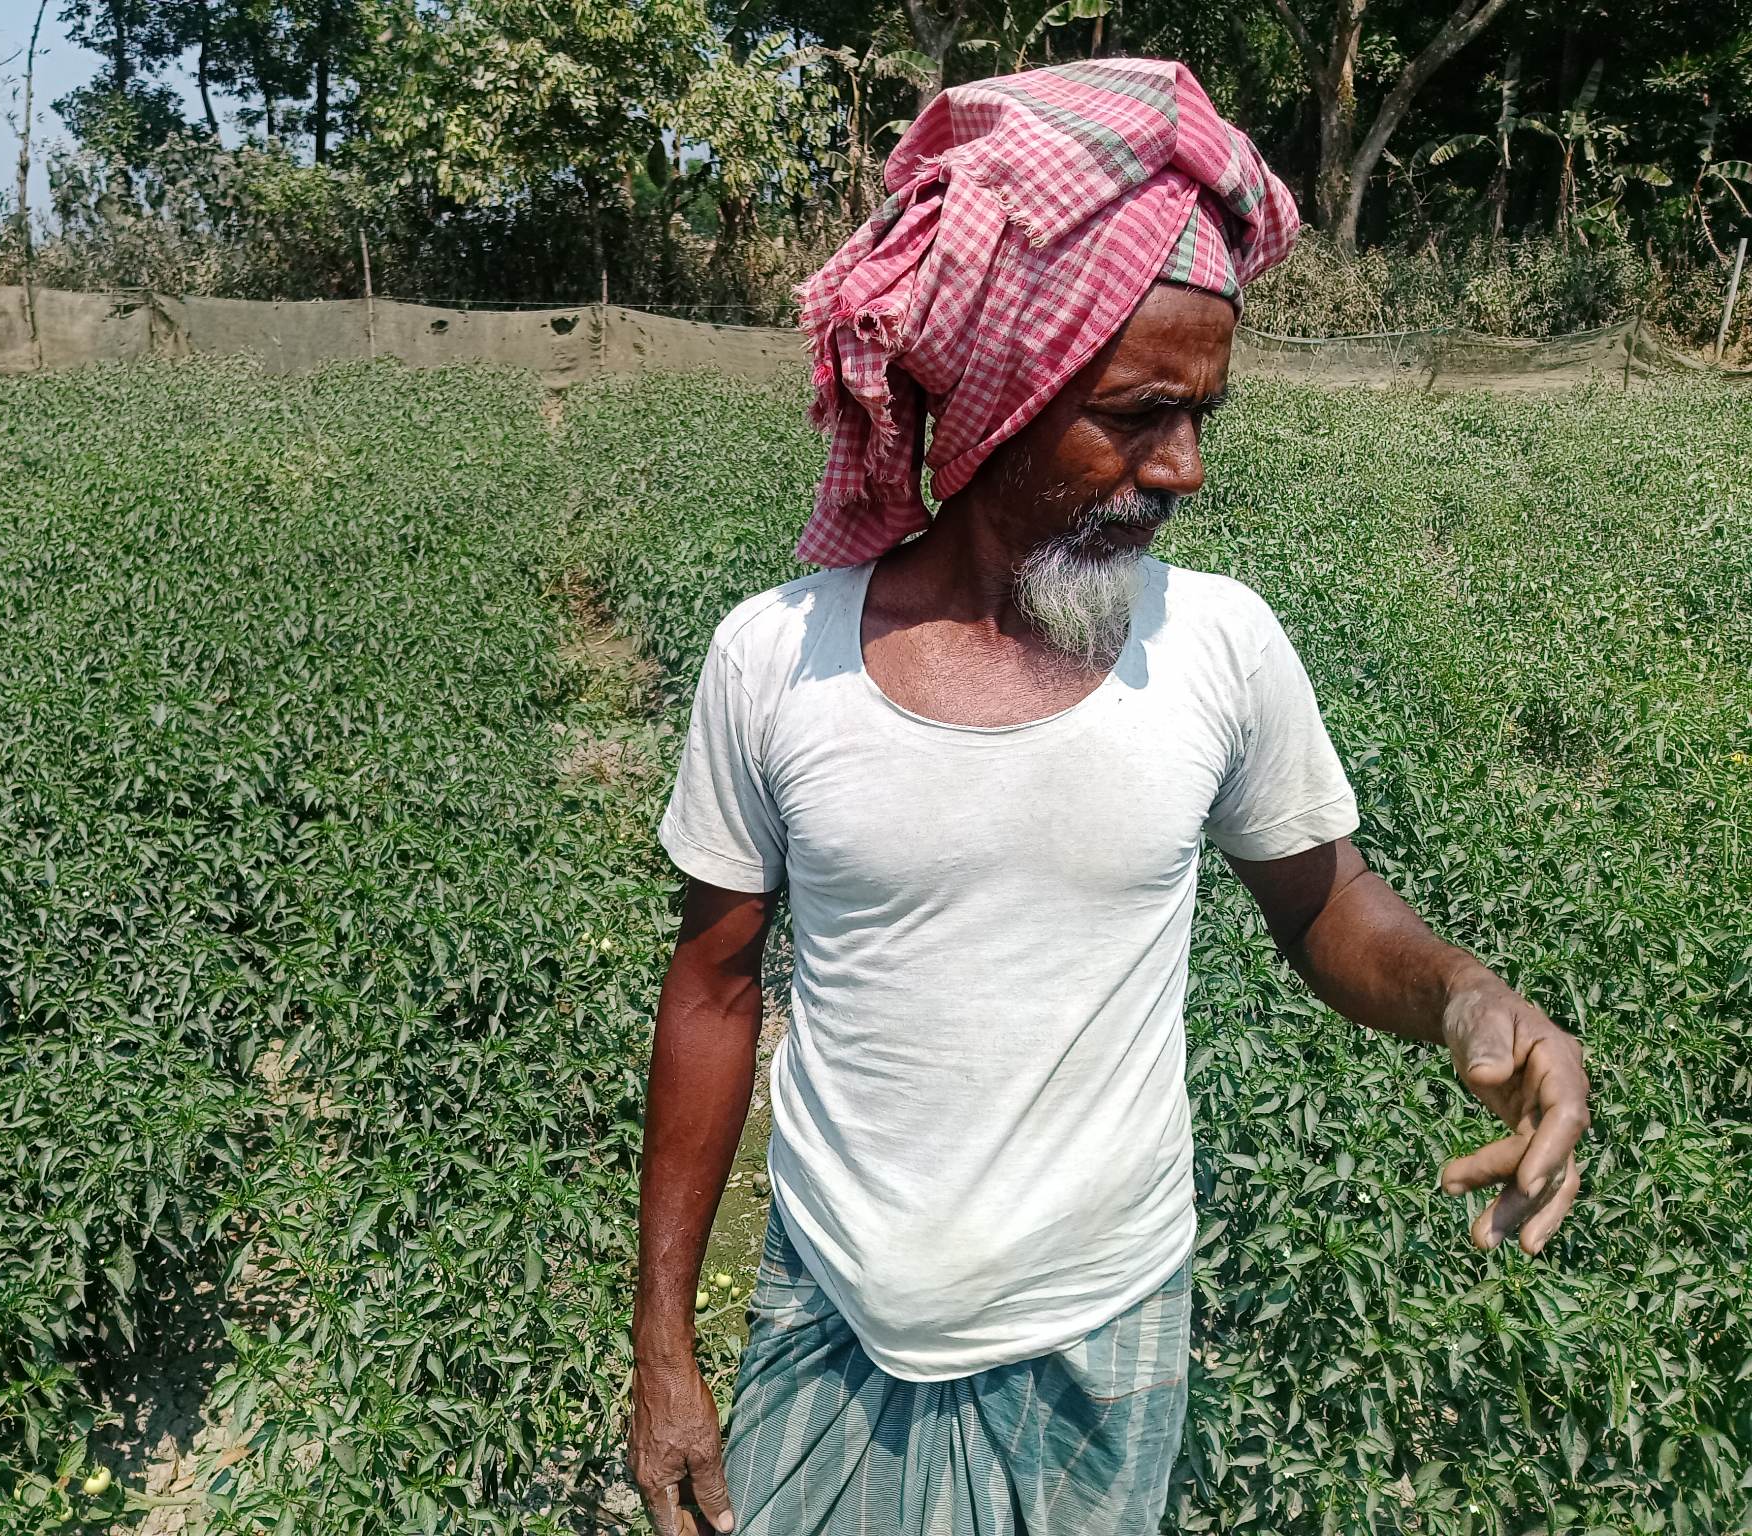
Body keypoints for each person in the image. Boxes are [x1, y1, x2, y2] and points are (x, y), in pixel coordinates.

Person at [627, 57, 1590, 1536]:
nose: (1184, 468)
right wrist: (665, 1347)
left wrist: (1470, 998)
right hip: (833, 1315)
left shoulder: (1219, 647)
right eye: (1139, 415)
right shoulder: (778, 660)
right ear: (1000, 400)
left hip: (1106, 1328)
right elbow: (711, 988)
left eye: (1203, 416)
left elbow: (1324, 900)